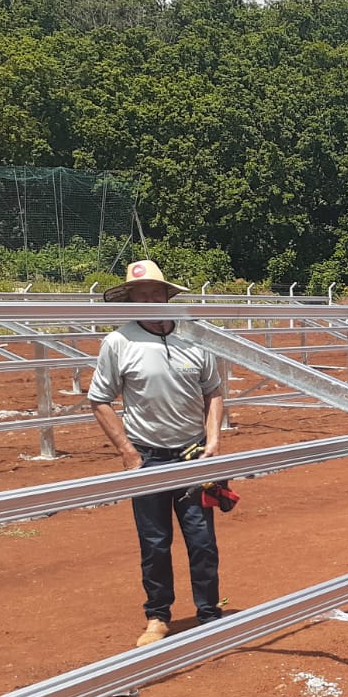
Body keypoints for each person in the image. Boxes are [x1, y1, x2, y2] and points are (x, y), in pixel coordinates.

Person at [88, 259, 227, 647]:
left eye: (155, 293)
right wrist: (128, 454)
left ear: (167, 297)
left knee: (202, 541)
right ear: (131, 301)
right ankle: (157, 615)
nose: (149, 300)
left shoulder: (194, 342)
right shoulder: (119, 342)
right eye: (140, 296)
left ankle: (209, 614)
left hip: (192, 455)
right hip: (148, 457)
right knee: (154, 541)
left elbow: (213, 391)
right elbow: (99, 400)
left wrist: (212, 441)